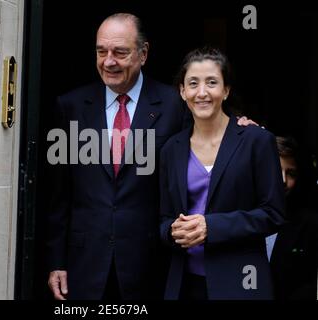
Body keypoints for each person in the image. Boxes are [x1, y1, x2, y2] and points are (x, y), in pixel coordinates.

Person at [46, 13, 254, 300]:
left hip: (152, 265)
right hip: (85, 265)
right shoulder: (70, 106)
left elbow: (211, 138)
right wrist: (57, 261)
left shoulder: (176, 104)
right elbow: (60, 195)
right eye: (101, 51)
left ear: (143, 54)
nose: (108, 61)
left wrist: (240, 130)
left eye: (120, 52)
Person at [159, 47, 285, 300]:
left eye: (212, 82)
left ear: (226, 90)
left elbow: (274, 214)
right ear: (182, 91)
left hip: (241, 283)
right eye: (193, 83)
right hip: (184, 284)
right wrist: (172, 231)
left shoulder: (256, 141)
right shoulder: (171, 149)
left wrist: (211, 227)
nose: (202, 92)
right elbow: (163, 218)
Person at [268, 136, 318, 300]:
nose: (283, 180)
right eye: (276, 170)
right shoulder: (237, 217)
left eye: (291, 173)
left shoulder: (309, 224)